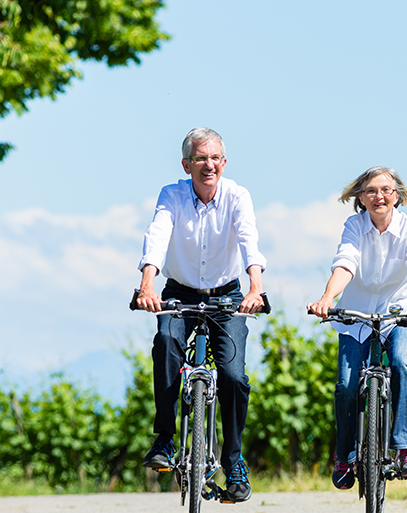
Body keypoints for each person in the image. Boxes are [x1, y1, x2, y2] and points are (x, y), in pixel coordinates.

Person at [134, 127, 266, 502]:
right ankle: (165, 437)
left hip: (227, 297)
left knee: (233, 375)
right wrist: (147, 286)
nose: (208, 165)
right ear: (186, 164)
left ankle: (234, 458)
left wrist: (255, 288)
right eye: (200, 158)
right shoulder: (172, 195)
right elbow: (157, 237)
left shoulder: (238, 196)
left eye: (214, 159)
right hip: (178, 291)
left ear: (223, 163)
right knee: (166, 341)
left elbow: (248, 241)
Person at [307, 166, 407, 490]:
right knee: (345, 385)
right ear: (361, 197)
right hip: (356, 315)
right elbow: (347, 262)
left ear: (396, 195)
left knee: (403, 363)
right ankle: (346, 456)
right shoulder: (354, 226)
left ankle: (406, 448)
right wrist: (327, 298)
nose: (379, 196)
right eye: (371, 190)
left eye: (385, 189)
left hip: (402, 312)